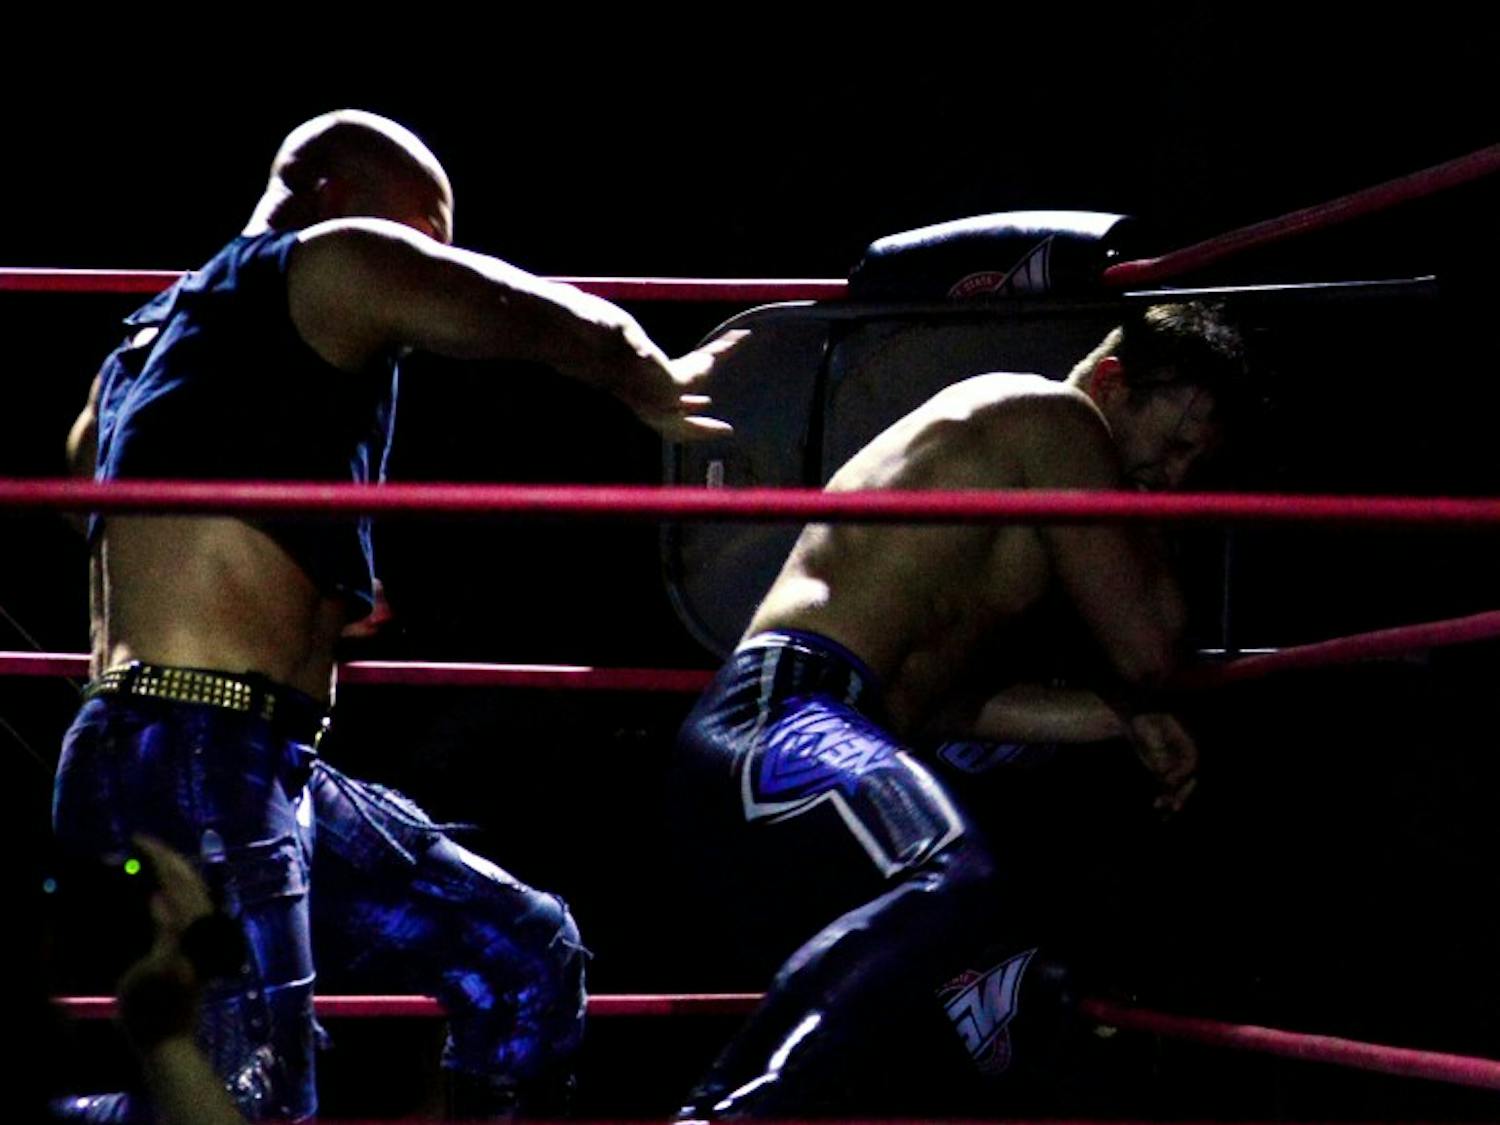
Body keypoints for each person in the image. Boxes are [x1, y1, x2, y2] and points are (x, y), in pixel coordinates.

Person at [53, 109, 736, 1122]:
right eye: (426, 228)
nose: (431, 259)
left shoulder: (146, 350)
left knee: (525, 958)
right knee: (250, 1107)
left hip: (231, 756)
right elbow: (525, 311)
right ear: (333, 194)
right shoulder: (327, 257)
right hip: (197, 754)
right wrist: (646, 369)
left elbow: (101, 504)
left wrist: (303, 582)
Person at [671, 302, 1247, 1118]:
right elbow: (1151, 646)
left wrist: (1116, 718)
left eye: (1199, 464)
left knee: (977, 1024)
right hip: (780, 713)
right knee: (950, 870)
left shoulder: (1008, 484)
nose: (1177, 476)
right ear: (1116, 382)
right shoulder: (1056, 417)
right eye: (1177, 441)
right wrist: (1154, 544)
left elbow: (940, 705)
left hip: (823, 737)